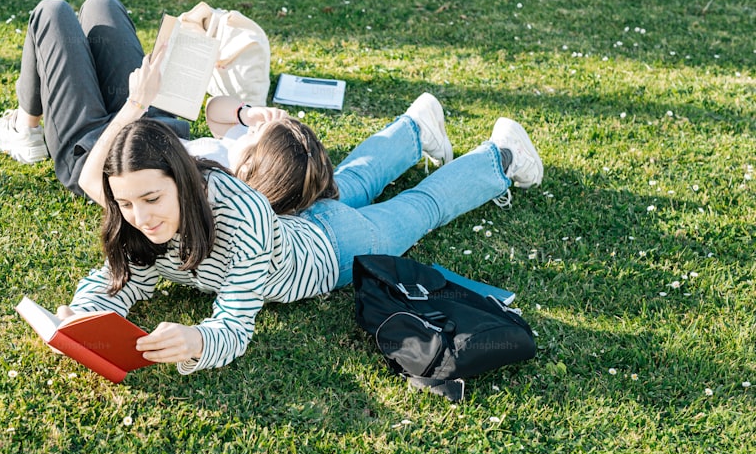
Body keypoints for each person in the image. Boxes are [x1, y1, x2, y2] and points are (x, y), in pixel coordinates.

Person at [54, 49, 544, 374]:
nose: (140, 216)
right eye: (126, 203)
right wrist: (86, 315)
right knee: (348, 181)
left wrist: (195, 341)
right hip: (294, 219)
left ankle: (501, 155)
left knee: (419, 209)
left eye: (152, 200)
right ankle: (416, 125)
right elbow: (122, 277)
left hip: (331, 248)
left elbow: (233, 326)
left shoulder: (238, 215)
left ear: (183, 183)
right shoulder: (141, 215)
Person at [0, 0, 290, 197]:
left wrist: (137, 102)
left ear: (254, 168)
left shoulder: (220, 190)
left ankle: (26, 132)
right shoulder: (240, 153)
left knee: (51, 13)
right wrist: (246, 114)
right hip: (154, 119)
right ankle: (92, 85)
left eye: (259, 138)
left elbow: (96, 182)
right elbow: (215, 112)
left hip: (98, 152)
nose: (258, 133)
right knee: (102, 4)